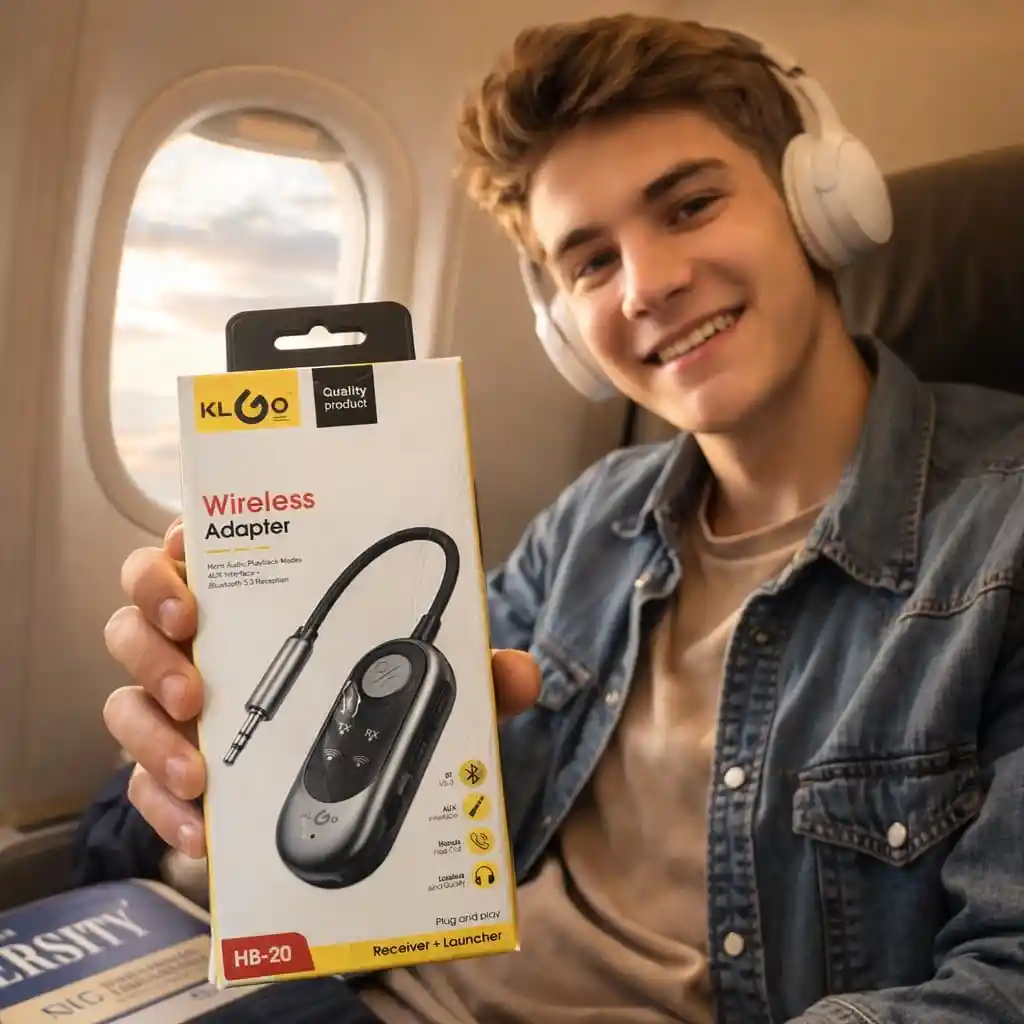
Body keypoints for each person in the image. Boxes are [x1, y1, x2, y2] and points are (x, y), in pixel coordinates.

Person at [94, 13, 1024, 1024]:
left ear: (816, 200)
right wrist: (212, 763)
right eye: (590, 262)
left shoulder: (1000, 538)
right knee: (100, 838)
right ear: (562, 327)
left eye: (691, 205)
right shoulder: (593, 520)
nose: (649, 286)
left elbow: (1003, 982)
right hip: (373, 992)